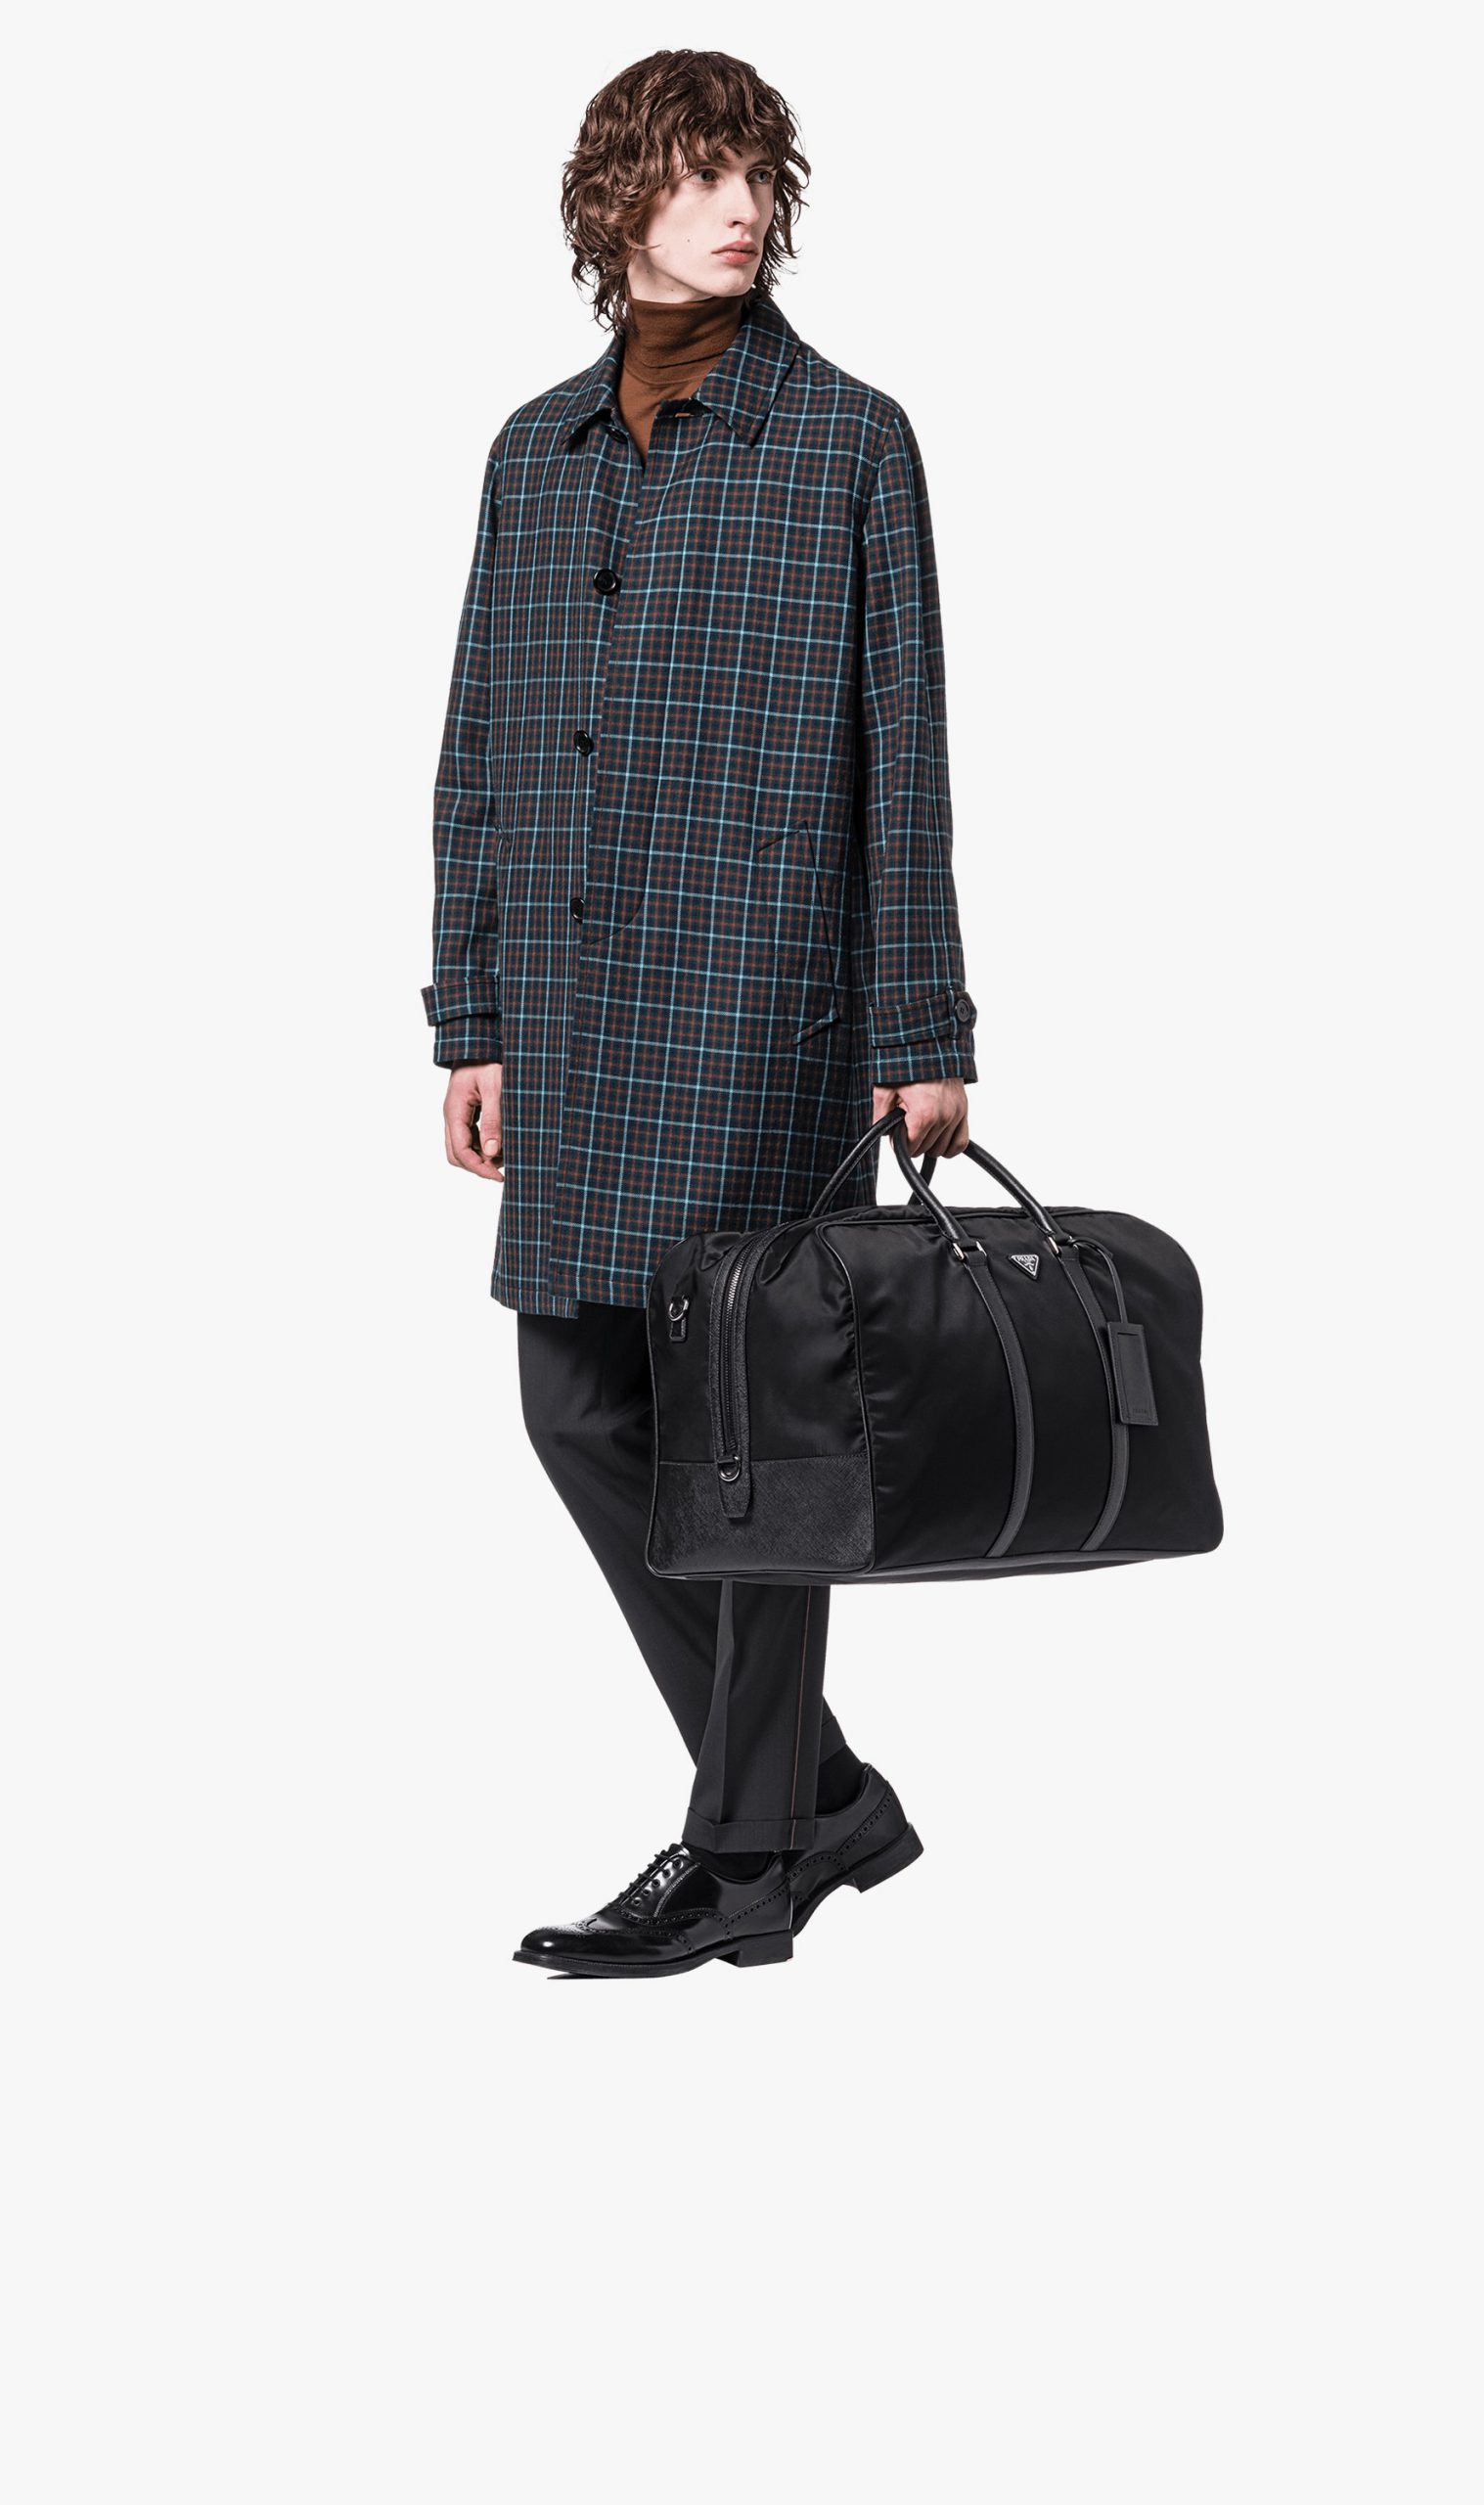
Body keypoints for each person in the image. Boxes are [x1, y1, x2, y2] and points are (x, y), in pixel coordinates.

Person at [426, 50, 981, 1979]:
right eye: (697, 174)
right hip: (576, 1013)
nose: (739, 207)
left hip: (765, 1016)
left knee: (752, 1440)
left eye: (757, 175)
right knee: (575, 1401)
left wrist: (920, 1025)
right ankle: (813, 1796)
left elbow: (902, 755)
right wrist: (472, 1014)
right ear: (620, 205)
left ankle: (746, 1852)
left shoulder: (849, 443)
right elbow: (479, 748)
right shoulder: (534, 453)